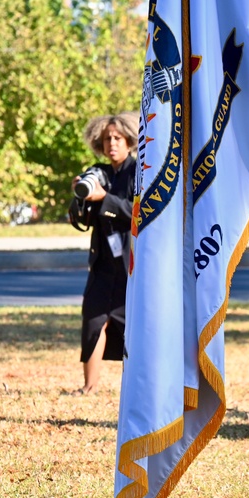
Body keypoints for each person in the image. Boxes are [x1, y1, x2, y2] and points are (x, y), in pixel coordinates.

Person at [75, 112, 138, 395]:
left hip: (131, 264)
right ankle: (89, 386)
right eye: (106, 139)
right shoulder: (96, 172)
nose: (111, 143)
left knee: (134, 330)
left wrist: (105, 199)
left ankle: (138, 387)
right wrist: (79, 198)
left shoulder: (141, 171)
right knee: (93, 321)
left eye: (117, 138)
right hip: (102, 263)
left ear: (129, 141)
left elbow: (139, 213)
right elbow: (82, 220)